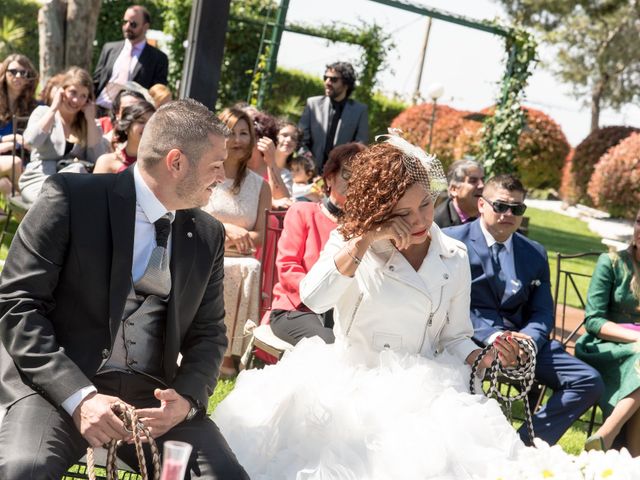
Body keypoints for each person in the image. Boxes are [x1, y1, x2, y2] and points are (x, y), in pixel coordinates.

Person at [212, 136, 532, 479]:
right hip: (352, 384)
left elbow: (455, 337)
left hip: (424, 389)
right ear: (380, 210)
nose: (420, 220)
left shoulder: (454, 256)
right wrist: (365, 240)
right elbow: (314, 299)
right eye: (403, 213)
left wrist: (484, 356)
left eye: (425, 204)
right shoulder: (350, 241)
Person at [0, 99, 249, 479]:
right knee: (24, 471)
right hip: (59, 388)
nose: (222, 177)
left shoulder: (206, 234)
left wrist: (185, 400)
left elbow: (209, 333)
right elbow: (19, 307)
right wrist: (79, 397)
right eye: (216, 166)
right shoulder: (70, 197)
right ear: (176, 162)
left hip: (153, 404)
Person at [444, 174, 604, 446]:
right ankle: (465, 446)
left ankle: (525, 445)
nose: (509, 214)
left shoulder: (535, 252)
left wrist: (528, 340)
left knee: (588, 381)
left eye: (517, 208)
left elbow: (543, 312)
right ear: (481, 205)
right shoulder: (452, 241)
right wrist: (495, 338)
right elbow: (449, 302)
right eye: (501, 206)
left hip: (526, 346)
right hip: (470, 340)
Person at [270, 142, 365, 346]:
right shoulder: (303, 211)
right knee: (330, 343)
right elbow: (287, 268)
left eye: (362, 177)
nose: (355, 182)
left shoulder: (365, 229)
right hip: (296, 308)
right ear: (330, 177)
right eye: (348, 175)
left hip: (344, 313)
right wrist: (319, 295)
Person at [203, 106, 271, 375]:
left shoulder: (259, 186)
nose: (239, 140)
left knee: (247, 268)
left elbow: (261, 236)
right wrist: (226, 231)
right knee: (223, 268)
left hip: (242, 259)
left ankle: (228, 353)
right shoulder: (204, 174)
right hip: (204, 253)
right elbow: (192, 219)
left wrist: (238, 239)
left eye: (245, 133)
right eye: (232, 132)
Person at [575, 208, 640, 455]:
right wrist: (637, 336)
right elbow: (593, 321)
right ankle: (610, 435)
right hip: (604, 348)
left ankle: (609, 445)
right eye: (639, 222)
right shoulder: (611, 262)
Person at [19, 67, 109, 204]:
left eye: (83, 96)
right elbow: (29, 143)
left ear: (88, 100)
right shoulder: (43, 113)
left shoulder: (89, 123)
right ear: (62, 91)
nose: (76, 100)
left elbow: (98, 160)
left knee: (77, 176)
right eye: (72, 92)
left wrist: (90, 120)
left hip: (74, 184)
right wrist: (53, 109)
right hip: (39, 180)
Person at [93, 5, 168, 112]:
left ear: (145, 26)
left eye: (133, 24)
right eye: (125, 22)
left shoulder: (158, 58)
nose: (127, 27)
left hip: (131, 116)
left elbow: (158, 94)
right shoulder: (109, 48)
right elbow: (96, 80)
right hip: (101, 109)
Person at [299, 61, 369, 172]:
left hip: (340, 176)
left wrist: (341, 172)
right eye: (325, 78)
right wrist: (310, 166)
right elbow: (301, 141)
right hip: (309, 173)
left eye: (334, 79)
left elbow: (360, 147)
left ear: (346, 84)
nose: (327, 82)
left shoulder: (360, 110)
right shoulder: (313, 104)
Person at [0, 54, 39, 194]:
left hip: (26, 160)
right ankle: (34, 208)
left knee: (4, 185)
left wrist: (22, 142)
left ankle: (19, 213)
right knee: (14, 163)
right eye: (12, 72)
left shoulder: (35, 107)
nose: (18, 76)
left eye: (23, 73)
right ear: (4, 73)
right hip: (11, 161)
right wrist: (7, 139)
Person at [93, 100, 155, 174]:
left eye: (152, 123)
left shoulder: (159, 165)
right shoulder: (107, 161)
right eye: (141, 121)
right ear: (127, 126)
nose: (147, 127)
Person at [434, 157, 484, 228]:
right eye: (473, 180)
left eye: (483, 180)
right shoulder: (436, 224)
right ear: (454, 189)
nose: (481, 185)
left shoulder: (494, 213)